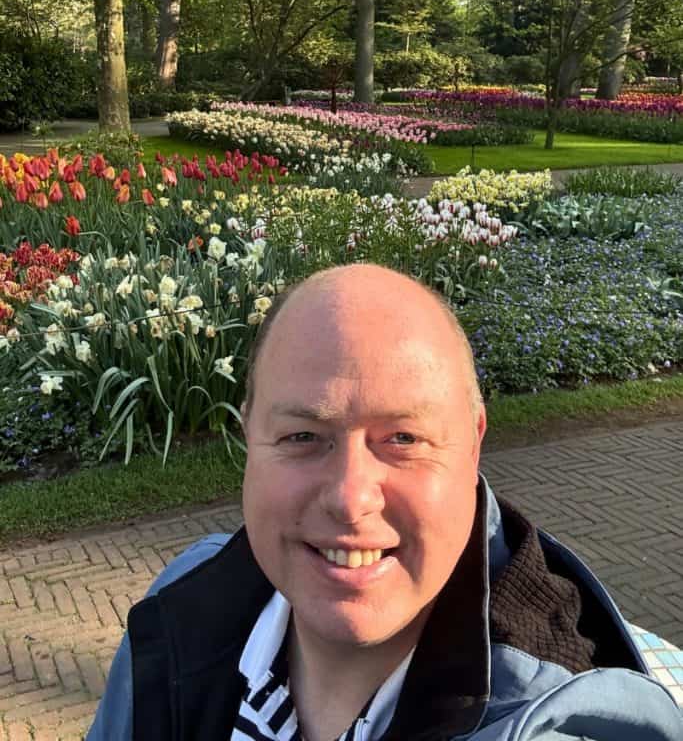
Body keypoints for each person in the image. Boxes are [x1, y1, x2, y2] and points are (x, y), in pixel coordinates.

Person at [87, 263, 682, 741]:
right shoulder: (181, 603)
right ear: (249, 439)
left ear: (473, 444)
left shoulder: (543, 717)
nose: (350, 498)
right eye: (302, 436)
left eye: (403, 439)